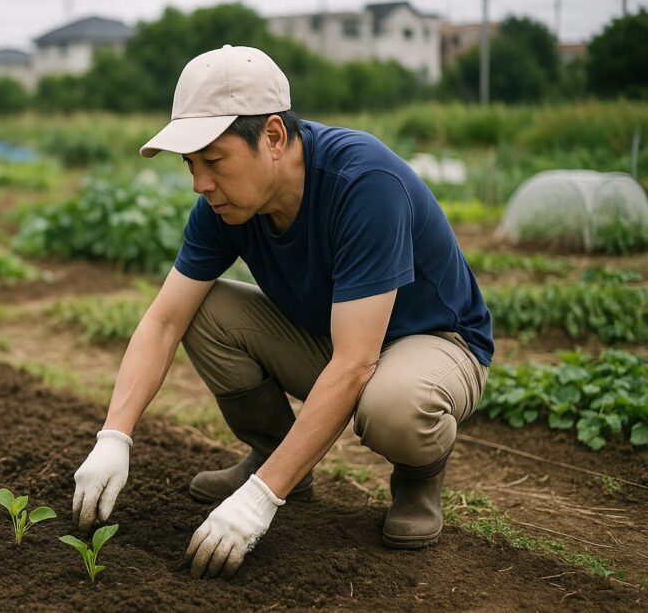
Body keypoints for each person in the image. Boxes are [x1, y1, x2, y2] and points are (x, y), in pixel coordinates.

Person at [71, 44, 493, 579]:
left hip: (434, 343)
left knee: (394, 406)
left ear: (273, 136)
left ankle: (417, 477)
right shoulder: (223, 207)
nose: (201, 184)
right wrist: (114, 437)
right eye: (191, 164)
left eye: (214, 161)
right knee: (202, 309)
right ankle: (272, 454)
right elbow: (163, 321)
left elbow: (356, 363)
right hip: (337, 340)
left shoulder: (363, 183)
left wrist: (260, 500)